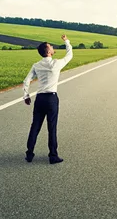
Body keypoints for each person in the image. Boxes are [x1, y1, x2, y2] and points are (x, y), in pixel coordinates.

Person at [23, 35, 73, 164]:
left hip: (40, 98)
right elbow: (69, 55)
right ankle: (53, 155)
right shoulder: (56, 63)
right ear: (48, 51)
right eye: (50, 46)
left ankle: (29, 153)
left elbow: (27, 80)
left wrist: (26, 95)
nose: (52, 47)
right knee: (52, 127)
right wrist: (66, 41)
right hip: (51, 98)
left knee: (35, 126)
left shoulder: (36, 65)